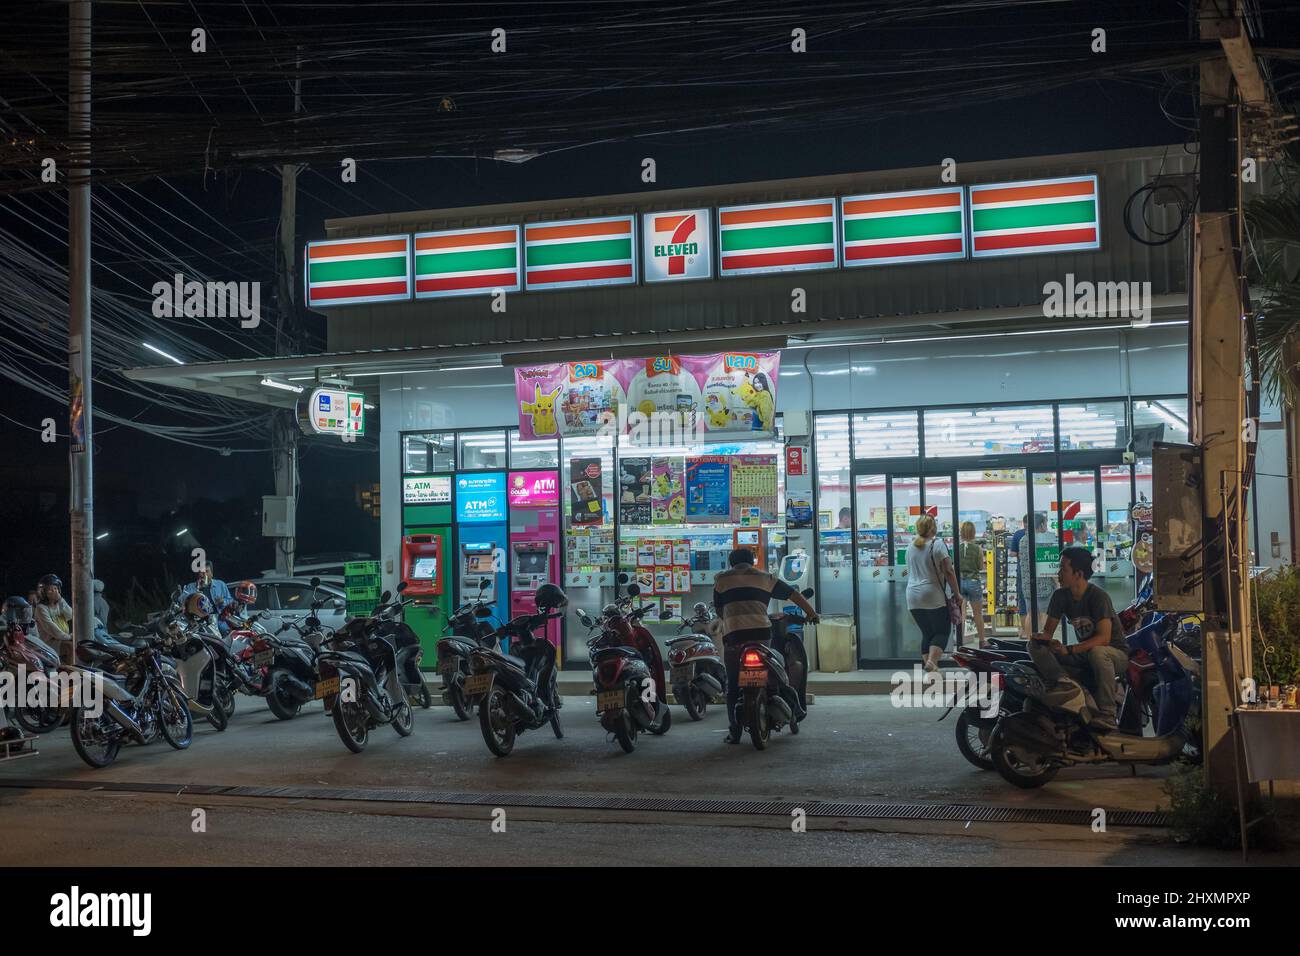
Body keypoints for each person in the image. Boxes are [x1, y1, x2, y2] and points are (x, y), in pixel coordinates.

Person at [713, 547, 819, 744]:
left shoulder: (721, 579)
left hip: (734, 636)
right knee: (771, 669)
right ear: (753, 562)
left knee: (734, 684)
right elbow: (794, 595)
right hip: (761, 634)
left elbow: (720, 609)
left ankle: (734, 732)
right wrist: (812, 613)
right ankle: (772, 695)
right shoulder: (765, 578)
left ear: (731, 563)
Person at [1028, 546, 1131, 732]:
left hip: (1114, 654)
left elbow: (1104, 638)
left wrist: (1070, 649)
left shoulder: (1098, 597)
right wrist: (1043, 640)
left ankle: (1108, 714)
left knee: (1098, 653)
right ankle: (1064, 683)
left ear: (1078, 574)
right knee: (1034, 647)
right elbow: (1048, 632)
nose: (1058, 573)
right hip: (1084, 653)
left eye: (1063, 569)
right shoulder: (1060, 596)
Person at [907, 515, 962, 672]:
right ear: (933, 528)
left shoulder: (911, 547)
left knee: (927, 632)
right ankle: (932, 662)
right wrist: (957, 593)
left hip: (912, 596)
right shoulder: (937, 545)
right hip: (932, 593)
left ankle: (930, 667)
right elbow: (949, 571)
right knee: (942, 631)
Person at [957, 521, 987, 647]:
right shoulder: (977, 549)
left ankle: (960, 641)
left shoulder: (957, 548)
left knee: (962, 614)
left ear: (961, 533)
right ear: (973, 533)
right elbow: (980, 567)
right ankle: (982, 641)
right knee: (977, 614)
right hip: (974, 582)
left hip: (960, 582)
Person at [182, 562, 233, 634]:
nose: (204, 574)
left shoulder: (220, 584)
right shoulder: (191, 586)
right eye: (201, 572)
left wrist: (223, 601)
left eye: (206, 571)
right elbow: (181, 599)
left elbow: (230, 600)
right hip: (199, 622)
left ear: (211, 574)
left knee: (228, 635)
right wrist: (198, 590)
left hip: (219, 619)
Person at [33, 573, 74, 664]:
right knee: (70, 646)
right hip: (48, 642)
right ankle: (72, 673)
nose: (54, 592)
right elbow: (51, 628)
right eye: (50, 590)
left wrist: (61, 600)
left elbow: (71, 615)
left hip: (60, 639)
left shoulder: (59, 604)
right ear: (43, 592)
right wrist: (68, 637)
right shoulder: (41, 608)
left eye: (55, 589)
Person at [1008, 514, 1029, 636]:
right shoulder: (1040, 534)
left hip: (1022, 570)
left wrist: (1021, 555)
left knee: (1022, 600)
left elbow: (1012, 553)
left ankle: (1025, 631)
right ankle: (1035, 629)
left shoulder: (1018, 534)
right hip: (1037, 572)